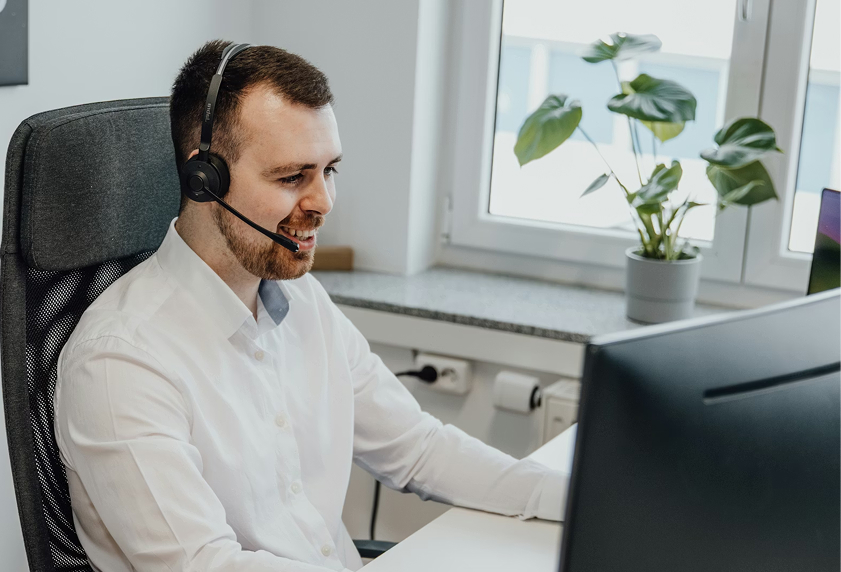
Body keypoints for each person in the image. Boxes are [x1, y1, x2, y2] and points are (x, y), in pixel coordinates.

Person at [53, 40, 568, 572]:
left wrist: (570, 500)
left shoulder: (301, 298)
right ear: (203, 180)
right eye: (292, 177)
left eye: (329, 171)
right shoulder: (120, 361)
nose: (322, 202)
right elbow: (205, 565)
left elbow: (419, 448)